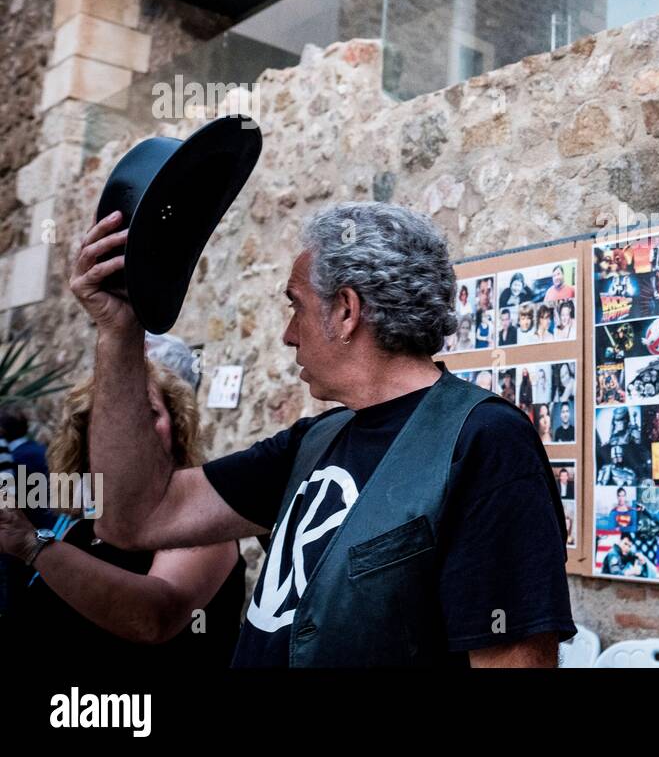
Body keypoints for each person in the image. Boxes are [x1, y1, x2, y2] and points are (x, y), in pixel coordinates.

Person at [70, 202, 574, 667]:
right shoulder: (313, 441)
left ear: (346, 310)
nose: (288, 334)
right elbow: (130, 517)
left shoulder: (483, 441)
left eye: (297, 306)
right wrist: (119, 332)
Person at [0, 365, 244, 667]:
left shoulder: (199, 523)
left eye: (150, 412)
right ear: (87, 441)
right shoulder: (82, 530)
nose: (132, 427)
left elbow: (153, 617)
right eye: (109, 418)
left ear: (176, 428)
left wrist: (30, 545)